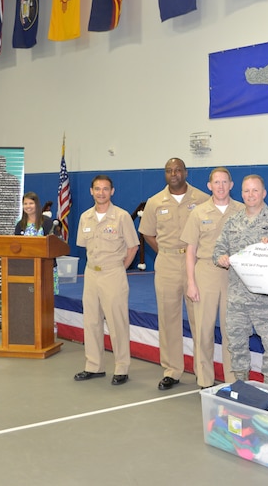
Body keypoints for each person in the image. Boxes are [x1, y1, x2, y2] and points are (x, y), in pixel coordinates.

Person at [139, 158, 209, 390]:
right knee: (168, 318)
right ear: (165, 174)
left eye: (178, 170)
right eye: (169, 170)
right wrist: (165, 251)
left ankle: (203, 372)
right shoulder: (155, 202)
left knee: (199, 319)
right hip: (167, 262)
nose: (174, 174)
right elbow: (147, 233)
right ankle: (172, 369)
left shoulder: (201, 199)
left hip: (196, 264)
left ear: (186, 173)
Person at [212, 175, 268, 385]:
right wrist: (221, 258)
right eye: (246, 191)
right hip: (237, 298)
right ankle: (242, 387)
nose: (250, 195)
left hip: (266, 300)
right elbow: (217, 250)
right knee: (236, 345)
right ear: (241, 193)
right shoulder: (232, 221)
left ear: (264, 193)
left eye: (255, 190)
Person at [180, 167, 244, 388]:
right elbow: (190, 249)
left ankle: (233, 380)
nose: (220, 186)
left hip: (233, 275)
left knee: (232, 330)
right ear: (209, 186)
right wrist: (191, 282)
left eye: (225, 182)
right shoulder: (198, 212)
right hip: (205, 271)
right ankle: (205, 379)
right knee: (204, 329)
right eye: (216, 182)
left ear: (231, 185)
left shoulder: (242, 211)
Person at [73, 175, 139, 386]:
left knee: (117, 323)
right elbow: (84, 246)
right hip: (91, 273)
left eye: (105, 189)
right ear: (91, 191)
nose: (101, 192)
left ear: (112, 191)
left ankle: (121, 368)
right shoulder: (85, 217)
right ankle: (94, 365)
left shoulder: (121, 217)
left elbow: (133, 247)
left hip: (113, 274)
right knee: (91, 321)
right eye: (97, 189)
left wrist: (120, 268)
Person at [15, 192, 59, 294]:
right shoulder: (20, 224)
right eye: (25, 204)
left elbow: (56, 244)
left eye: (31, 203)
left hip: (46, 267)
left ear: (37, 205)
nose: (28, 206)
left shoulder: (46, 222)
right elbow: (16, 245)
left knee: (46, 299)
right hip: (26, 268)